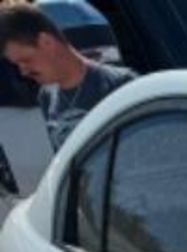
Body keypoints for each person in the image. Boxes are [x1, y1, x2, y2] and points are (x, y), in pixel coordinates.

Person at [0, 5, 134, 154]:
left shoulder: (119, 85)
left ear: (46, 42)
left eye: (26, 60)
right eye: (17, 64)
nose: (23, 71)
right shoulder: (47, 96)